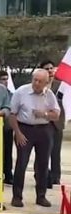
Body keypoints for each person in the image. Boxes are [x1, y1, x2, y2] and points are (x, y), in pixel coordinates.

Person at [8, 68, 60, 208]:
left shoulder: (49, 95)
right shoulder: (21, 92)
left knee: (43, 165)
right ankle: (17, 197)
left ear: (46, 83)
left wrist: (44, 114)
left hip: (44, 131)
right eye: (34, 80)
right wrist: (17, 133)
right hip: (24, 129)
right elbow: (12, 114)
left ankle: (41, 197)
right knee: (21, 163)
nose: (36, 83)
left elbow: (56, 115)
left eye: (40, 81)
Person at [39, 61, 66, 189]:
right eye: (46, 68)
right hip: (42, 122)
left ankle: (55, 177)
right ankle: (40, 176)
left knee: (55, 152)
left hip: (56, 123)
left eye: (51, 68)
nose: (50, 70)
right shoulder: (38, 84)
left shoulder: (60, 85)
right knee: (42, 152)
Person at [0, 69, 15, 184]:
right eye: (3, 79)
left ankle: (8, 173)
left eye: (7, 79)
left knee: (8, 151)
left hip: (7, 127)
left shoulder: (11, 94)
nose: (6, 82)